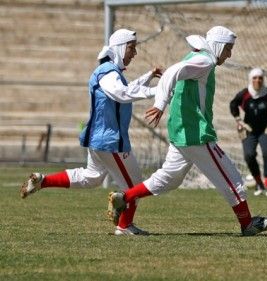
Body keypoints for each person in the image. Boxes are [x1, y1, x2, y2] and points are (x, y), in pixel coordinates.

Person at [107, 26, 267, 236]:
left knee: (168, 179)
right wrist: (160, 104)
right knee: (232, 180)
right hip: (196, 133)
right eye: (228, 49)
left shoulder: (197, 56)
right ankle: (247, 224)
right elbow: (171, 72)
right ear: (218, 45)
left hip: (181, 133)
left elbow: (175, 74)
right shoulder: (204, 61)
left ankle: (124, 202)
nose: (229, 54)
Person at [20, 29, 163, 236]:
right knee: (135, 187)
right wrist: (157, 90)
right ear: (120, 48)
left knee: (91, 177)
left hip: (98, 140)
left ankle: (43, 180)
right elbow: (121, 93)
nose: (135, 53)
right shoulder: (108, 72)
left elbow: (125, 88)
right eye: (132, 47)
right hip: (111, 141)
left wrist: (149, 76)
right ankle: (124, 226)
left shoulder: (109, 71)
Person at [229, 68, 267, 197]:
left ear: (263, 79)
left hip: (266, 129)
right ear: (250, 79)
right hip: (249, 130)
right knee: (249, 155)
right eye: (254, 78)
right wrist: (238, 121)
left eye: (260, 78)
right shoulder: (245, 94)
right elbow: (233, 104)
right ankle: (259, 183)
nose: (257, 80)